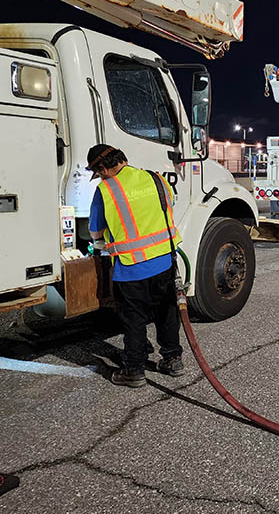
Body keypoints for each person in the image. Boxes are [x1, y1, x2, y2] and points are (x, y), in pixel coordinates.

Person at [86, 144, 185, 387]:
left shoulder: (106, 189)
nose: (100, 177)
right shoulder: (155, 178)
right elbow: (167, 209)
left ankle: (134, 370)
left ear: (103, 168)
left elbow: (96, 231)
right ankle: (172, 360)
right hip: (165, 260)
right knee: (167, 313)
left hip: (131, 267)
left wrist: (101, 241)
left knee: (134, 320)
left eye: (98, 173)